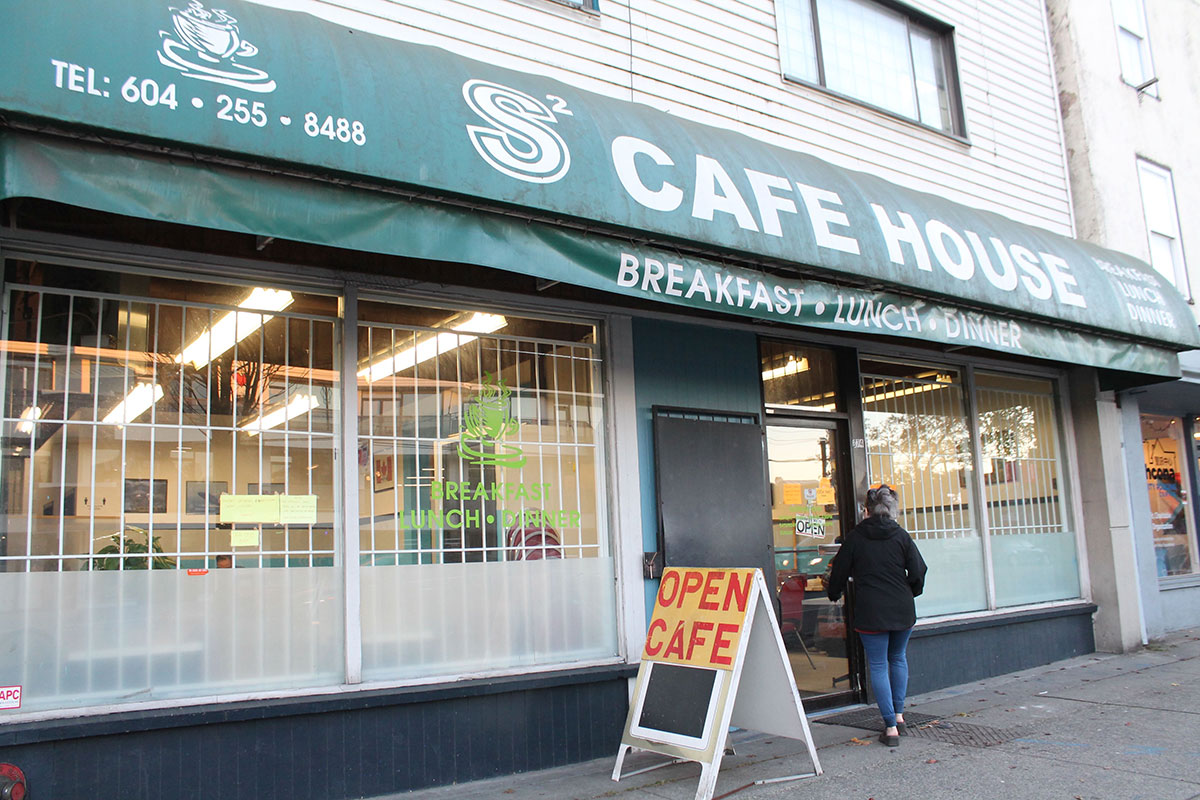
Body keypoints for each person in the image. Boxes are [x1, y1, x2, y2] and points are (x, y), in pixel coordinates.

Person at [825, 484, 927, 747]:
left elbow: (838, 572)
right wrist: (910, 593)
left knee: (879, 665)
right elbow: (919, 570)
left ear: (866, 510)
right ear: (892, 509)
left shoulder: (855, 538)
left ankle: (890, 727)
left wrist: (834, 593)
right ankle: (900, 715)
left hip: (871, 610)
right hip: (902, 609)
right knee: (898, 658)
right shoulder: (901, 536)